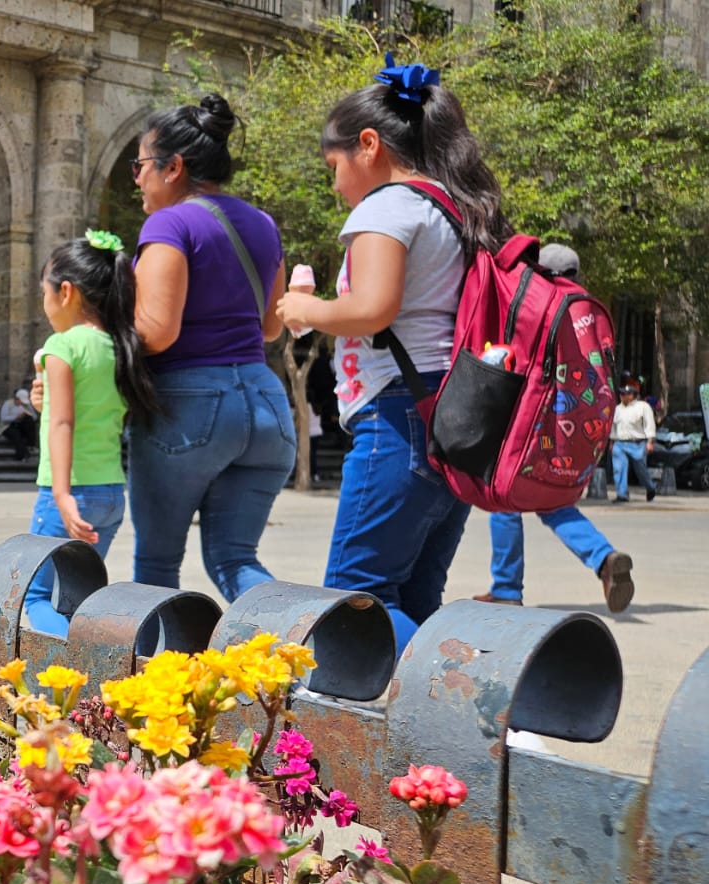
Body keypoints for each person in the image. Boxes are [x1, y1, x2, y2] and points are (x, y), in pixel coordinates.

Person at [277, 56, 511, 653]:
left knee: (356, 596)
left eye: (334, 167)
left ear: (369, 145)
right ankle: (440, 708)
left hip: (398, 417)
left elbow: (373, 309)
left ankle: (480, 680)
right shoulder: (451, 205)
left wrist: (307, 309)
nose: (335, 185)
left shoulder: (387, 205)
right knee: (415, 592)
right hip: (450, 416)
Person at [128, 93, 296, 601]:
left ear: (173, 167)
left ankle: (163, 658)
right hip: (266, 405)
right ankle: (300, 637)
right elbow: (272, 326)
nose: (136, 179)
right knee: (235, 559)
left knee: (157, 562)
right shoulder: (264, 224)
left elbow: (157, 331)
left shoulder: (169, 223)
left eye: (140, 165)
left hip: (189, 407)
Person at [474, 244, 635, 613]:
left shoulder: (540, 302)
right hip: (574, 427)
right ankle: (603, 558)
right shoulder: (587, 309)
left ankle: (506, 587)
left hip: (531, 418)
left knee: (504, 496)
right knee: (554, 502)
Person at [25, 232, 159, 636]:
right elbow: (90, 412)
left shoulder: (62, 346)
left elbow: (64, 423)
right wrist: (43, 404)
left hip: (71, 493)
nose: (44, 302)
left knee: (35, 598)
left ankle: (71, 670)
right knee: (78, 597)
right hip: (110, 495)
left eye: (44, 291)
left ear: (66, 292)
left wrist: (62, 495)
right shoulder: (121, 346)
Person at [611, 378, 658, 503]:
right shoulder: (617, 409)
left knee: (640, 469)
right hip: (620, 443)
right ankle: (622, 494)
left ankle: (650, 487)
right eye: (621, 394)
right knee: (619, 468)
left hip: (637, 443)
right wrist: (612, 442)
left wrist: (650, 441)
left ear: (633, 395)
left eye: (626, 394)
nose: (623, 396)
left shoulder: (643, 407)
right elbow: (613, 426)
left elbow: (649, 424)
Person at [0, 387, 38, 460]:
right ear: (17, 399)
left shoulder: (26, 405)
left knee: (29, 421)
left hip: (20, 425)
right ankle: (22, 454)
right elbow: (3, 418)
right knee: (15, 434)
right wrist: (16, 417)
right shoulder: (8, 403)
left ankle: (31, 444)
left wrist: (28, 411)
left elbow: (34, 417)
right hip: (8, 426)